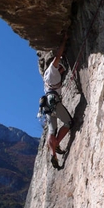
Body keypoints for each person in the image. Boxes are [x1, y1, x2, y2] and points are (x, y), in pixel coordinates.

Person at [43, 33, 73, 169]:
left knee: (51, 130)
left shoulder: (47, 77)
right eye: (62, 68)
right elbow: (58, 56)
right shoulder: (52, 70)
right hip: (54, 102)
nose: (62, 72)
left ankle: (53, 153)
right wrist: (65, 41)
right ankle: (56, 144)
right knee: (68, 122)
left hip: (47, 105)